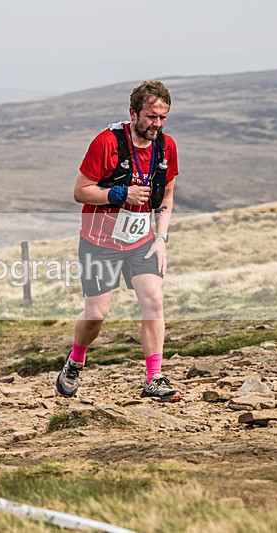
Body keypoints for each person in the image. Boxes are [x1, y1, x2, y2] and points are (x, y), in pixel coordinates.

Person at [56, 80, 182, 403]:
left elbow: (166, 193)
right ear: (133, 113)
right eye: (151, 117)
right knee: (96, 314)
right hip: (99, 241)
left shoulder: (166, 148)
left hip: (142, 240)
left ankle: (154, 378)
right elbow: (79, 191)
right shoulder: (106, 143)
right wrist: (120, 193)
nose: (157, 124)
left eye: (163, 118)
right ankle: (75, 360)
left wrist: (162, 236)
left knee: (154, 300)